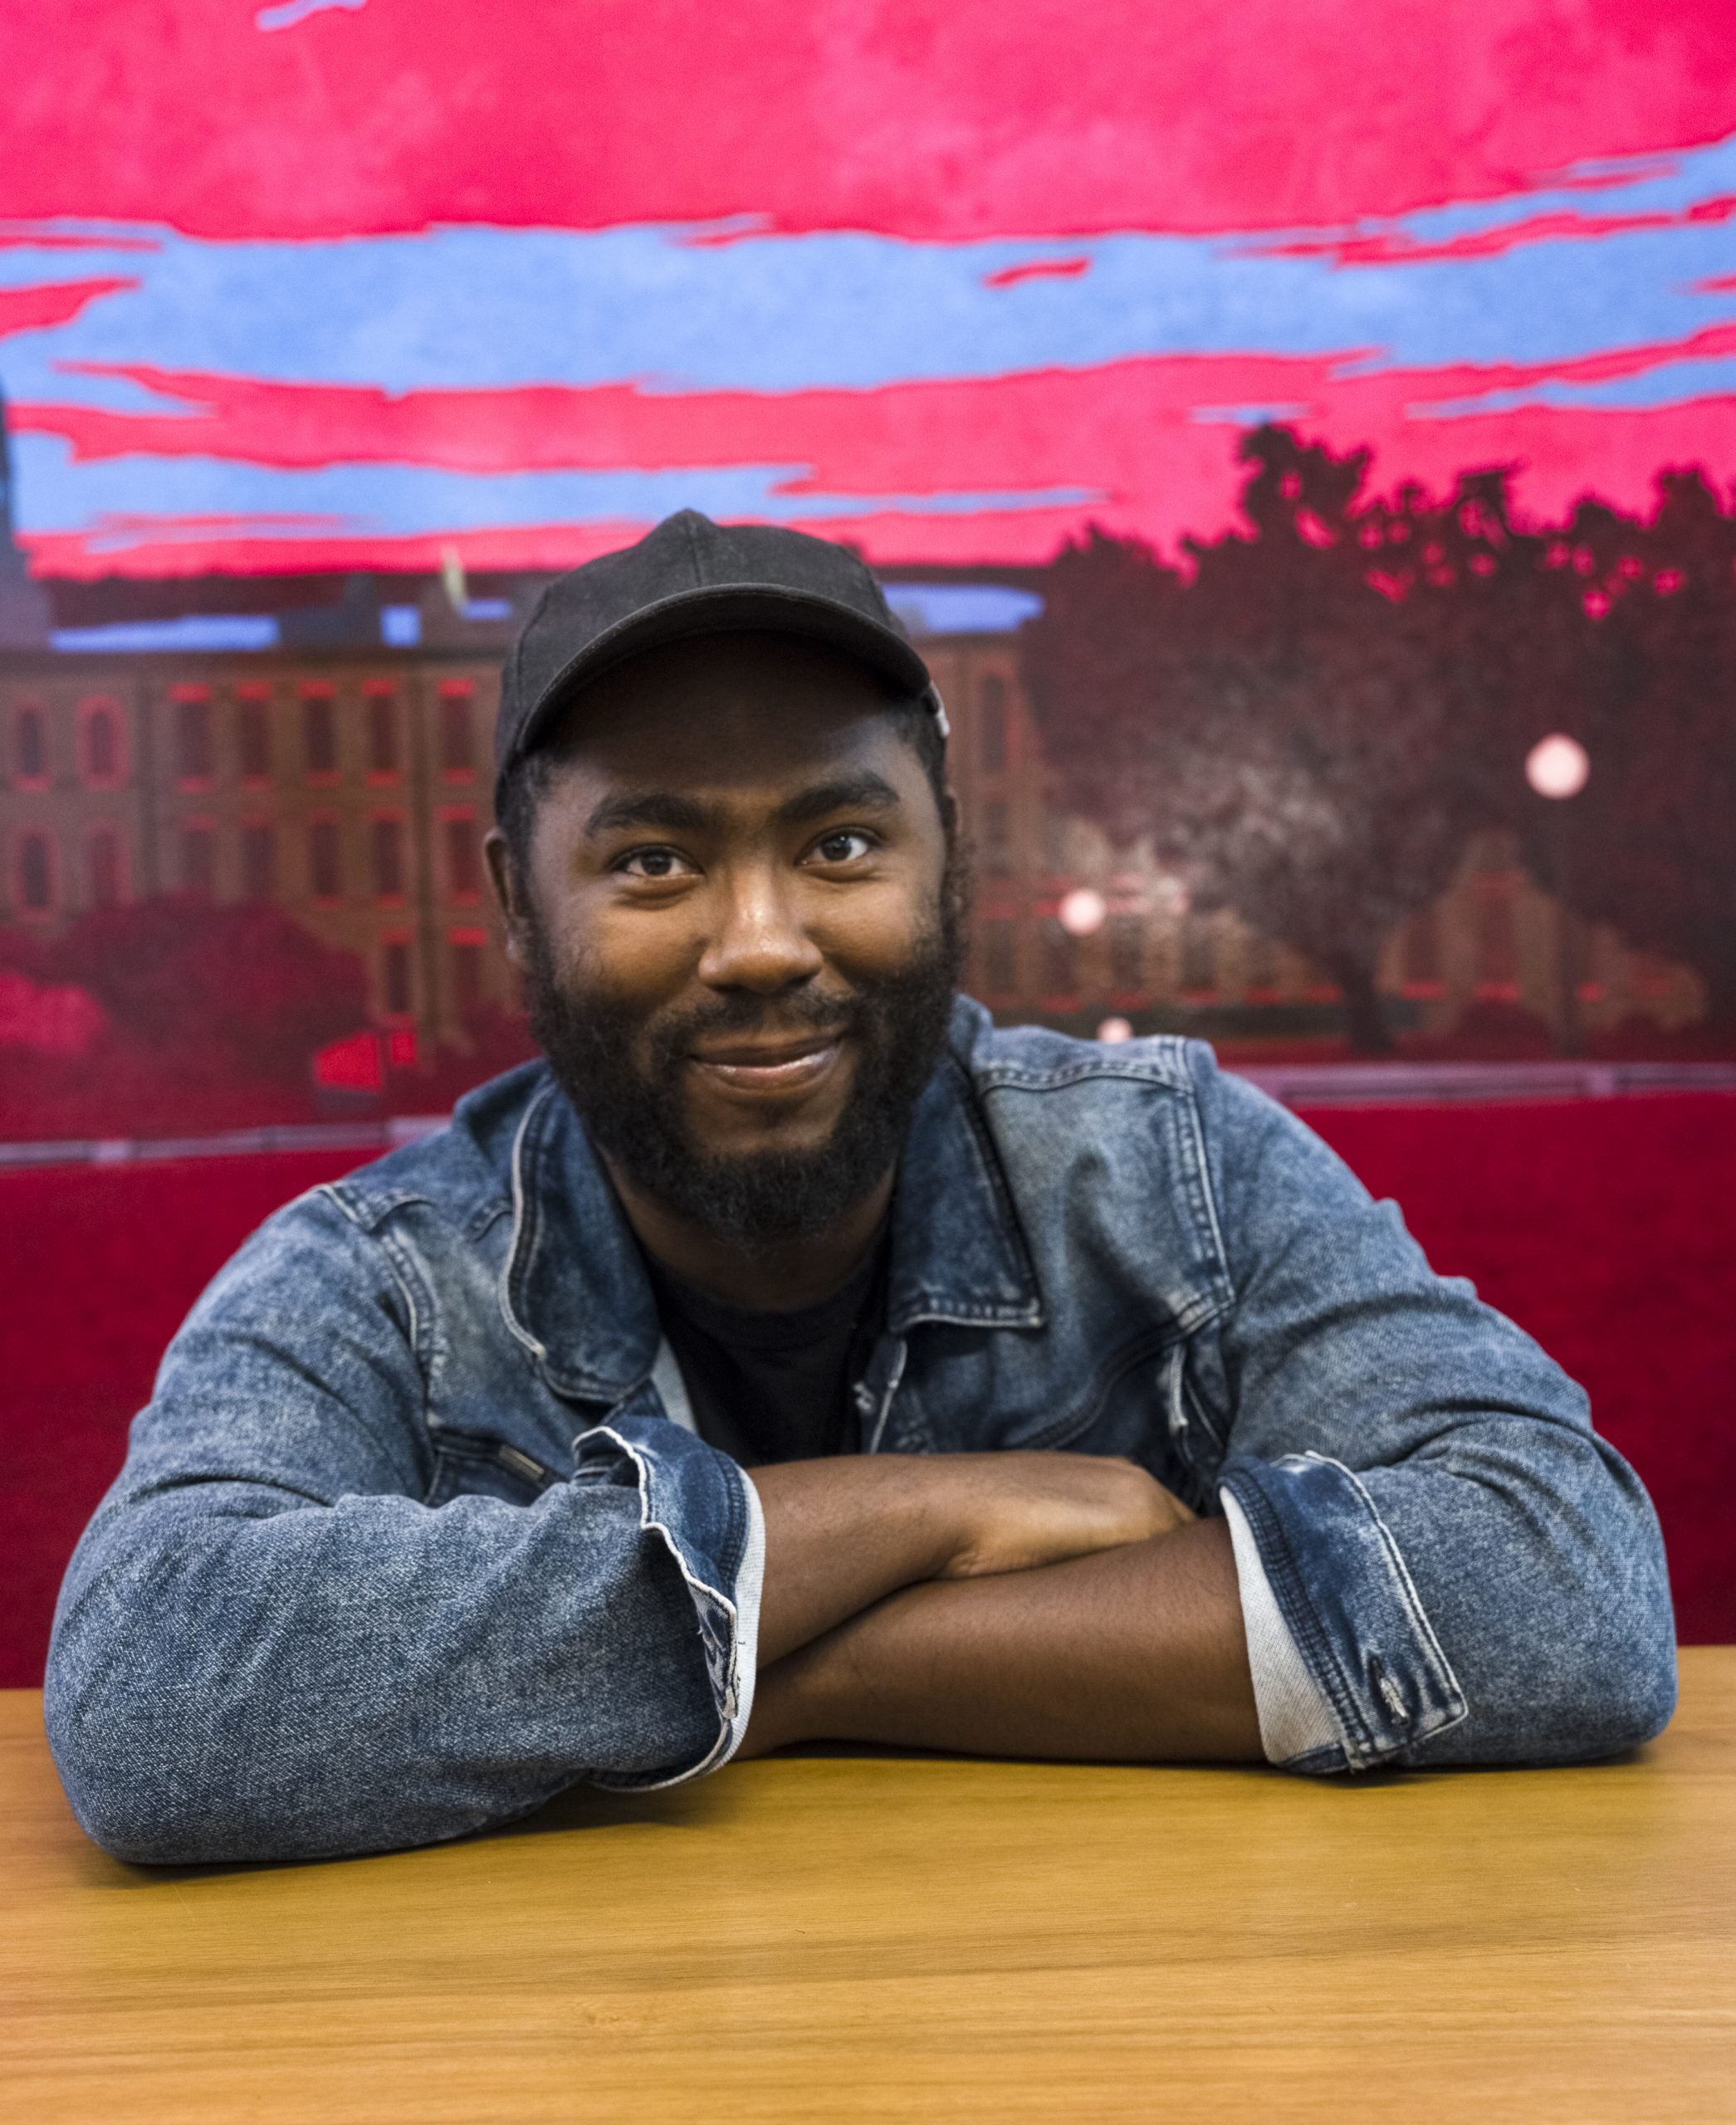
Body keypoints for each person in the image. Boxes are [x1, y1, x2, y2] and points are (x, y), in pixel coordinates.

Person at [46, 512, 1675, 1864]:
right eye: (651, 862)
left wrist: (781, 1657)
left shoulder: (1172, 1167)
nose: (761, 939)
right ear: (515, 904)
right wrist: (929, 1511)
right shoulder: (384, 1275)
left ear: (945, 856)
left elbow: (1568, 1585)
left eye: (836, 844)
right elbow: (157, 1687)